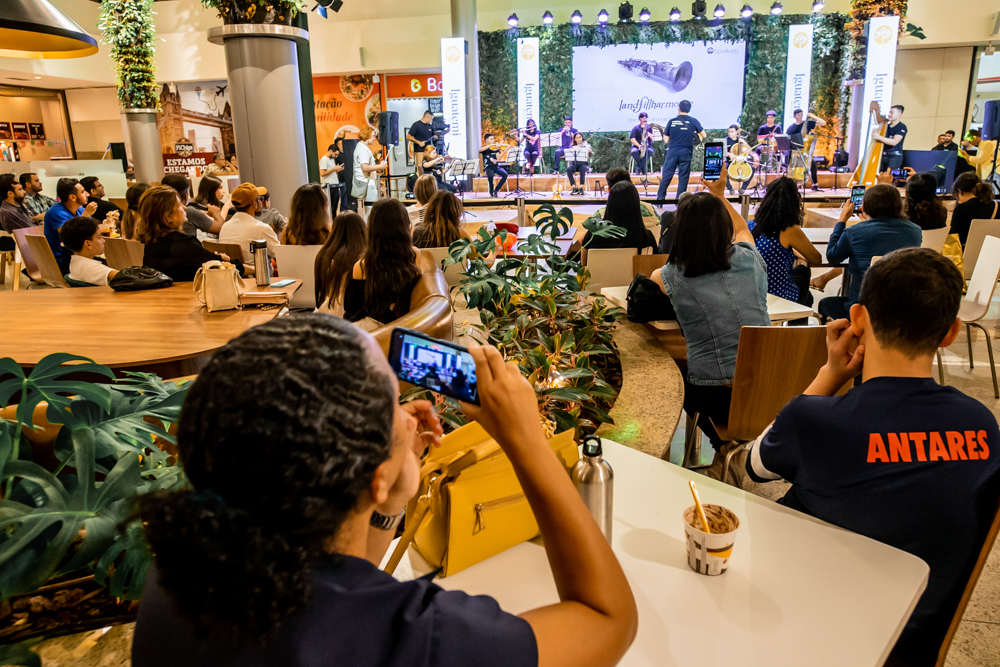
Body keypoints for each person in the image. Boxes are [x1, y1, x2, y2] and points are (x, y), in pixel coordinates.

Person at [131, 313, 637, 667]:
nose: (404, 412)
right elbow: (606, 619)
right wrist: (525, 440)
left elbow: (344, 576)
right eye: (394, 400)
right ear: (367, 475)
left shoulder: (180, 574)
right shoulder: (415, 642)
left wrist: (391, 496)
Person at [744, 248, 1000, 666]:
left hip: (810, 637)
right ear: (951, 331)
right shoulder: (982, 425)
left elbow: (752, 465)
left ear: (859, 318)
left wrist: (830, 374)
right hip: (912, 646)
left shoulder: (816, 421)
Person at [651, 175, 769, 464]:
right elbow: (742, 229)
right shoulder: (750, 259)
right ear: (722, 228)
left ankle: (723, 446)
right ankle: (737, 448)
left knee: (675, 376)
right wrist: (719, 194)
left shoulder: (668, 276)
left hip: (717, 396)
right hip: (768, 388)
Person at [817, 184, 921, 321]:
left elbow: (832, 257)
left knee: (825, 304)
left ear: (864, 207)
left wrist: (841, 220)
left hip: (860, 309)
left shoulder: (854, 232)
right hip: (898, 309)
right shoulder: (915, 231)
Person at [344, 199, 422, 328]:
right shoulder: (414, 255)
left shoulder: (362, 266)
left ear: (372, 228)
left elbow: (352, 312)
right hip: (408, 325)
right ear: (405, 225)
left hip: (374, 331)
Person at [139, 185, 243, 281]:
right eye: (179, 205)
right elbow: (225, 268)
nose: (184, 207)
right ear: (168, 217)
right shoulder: (180, 244)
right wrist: (253, 269)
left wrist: (214, 258)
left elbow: (201, 261)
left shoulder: (154, 241)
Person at [747, 177, 823, 307]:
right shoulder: (789, 230)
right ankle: (797, 323)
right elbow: (817, 259)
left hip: (753, 292)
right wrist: (803, 259)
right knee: (803, 272)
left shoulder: (749, 226)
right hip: (779, 295)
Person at [580, 181, 656, 266]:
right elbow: (652, 267)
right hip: (634, 279)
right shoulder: (646, 238)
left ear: (609, 204)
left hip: (596, 279)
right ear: (636, 205)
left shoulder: (592, 236)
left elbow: (583, 268)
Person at [315, 211, 367, 317]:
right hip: (358, 317)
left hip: (328, 313)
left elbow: (322, 294)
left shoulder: (324, 255)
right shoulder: (365, 259)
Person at [44, 178, 98, 275]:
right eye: (83, 192)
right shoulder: (56, 212)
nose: (87, 194)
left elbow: (91, 232)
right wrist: (85, 216)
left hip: (79, 256)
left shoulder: (80, 210)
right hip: (62, 260)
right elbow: (69, 236)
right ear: (72, 197)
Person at [656, 100, 705, 201]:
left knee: (667, 176)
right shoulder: (693, 121)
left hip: (673, 151)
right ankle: (679, 201)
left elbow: (666, 140)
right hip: (686, 152)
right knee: (683, 177)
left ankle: (660, 199)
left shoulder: (672, 121)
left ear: (679, 108)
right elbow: (704, 135)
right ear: (689, 109)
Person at [219, 183, 281, 260]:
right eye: (260, 199)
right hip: (258, 271)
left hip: (233, 271)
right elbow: (281, 256)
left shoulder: (225, 227)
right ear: (254, 204)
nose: (261, 203)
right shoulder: (262, 229)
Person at [59, 216, 119, 286]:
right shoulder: (90, 267)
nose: (103, 240)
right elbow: (128, 277)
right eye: (99, 237)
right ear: (88, 244)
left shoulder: (76, 263)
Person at [950, 172, 999, 246]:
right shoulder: (997, 206)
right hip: (993, 250)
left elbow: (953, 239)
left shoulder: (961, 209)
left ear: (959, 191)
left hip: (966, 254)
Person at [785, 108, 826, 191]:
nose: (800, 116)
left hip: (805, 151)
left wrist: (812, 116)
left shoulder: (807, 123)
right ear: (794, 116)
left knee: (813, 164)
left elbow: (823, 123)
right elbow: (788, 140)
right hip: (795, 151)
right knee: (788, 160)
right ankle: (791, 183)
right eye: (798, 114)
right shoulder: (791, 128)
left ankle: (815, 184)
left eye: (801, 114)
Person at [352, 127, 388, 215]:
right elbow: (365, 167)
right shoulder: (363, 150)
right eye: (373, 136)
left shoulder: (360, 147)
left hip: (364, 183)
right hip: (367, 184)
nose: (374, 138)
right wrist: (380, 166)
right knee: (371, 211)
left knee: (368, 211)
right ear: (366, 135)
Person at [869, 102, 907, 172]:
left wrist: (879, 137)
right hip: (882, 156)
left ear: (899, 114)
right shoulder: (885, 126)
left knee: (888, 177)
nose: (889, 115)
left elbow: (894, 142)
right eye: (889, 112)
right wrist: (875, 134)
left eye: (892, 113)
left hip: (894, 157)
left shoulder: (901, 127)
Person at [724, 124, 754, 196]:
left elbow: (750, 151)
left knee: (752, 169)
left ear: (737, 132)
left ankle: (743, 188)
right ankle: (730, 188)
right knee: (723, 168)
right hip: (730, 161)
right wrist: (729, 154)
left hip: (741, 161)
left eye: (732, 132)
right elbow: (722, 151)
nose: (730, 133)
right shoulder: (726, 140)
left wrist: (744, 143)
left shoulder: (740, 140)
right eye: (729, 131)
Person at [406, 110, 436, 176]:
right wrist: (419, 142)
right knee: (420, 166)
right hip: (419, 150)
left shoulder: (429, 126)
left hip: (428, 151)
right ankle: (421, 180)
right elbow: (408, 136)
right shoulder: (416, 125)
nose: (431, 121)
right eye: (431, 119)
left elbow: (434, 135)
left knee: (429, 166)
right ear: (427, 116)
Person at [320, 143, 346, 215]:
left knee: (334, 207)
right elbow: (322, 173)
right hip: (329, 186)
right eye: (335, 154)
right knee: (331, 208)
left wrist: (338, 169)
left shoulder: (331, 159)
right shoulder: (324, 159)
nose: (336, 156)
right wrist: (334, 169)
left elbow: (331, 172)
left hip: (334, 185)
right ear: (330, 151)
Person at [480, 134, 508, 198]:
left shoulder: (495, 149)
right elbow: (480, 149)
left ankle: (496, 190)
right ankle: (491, 188)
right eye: (491, 139)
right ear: (486, 140)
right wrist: (490, 145)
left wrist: (505, 150)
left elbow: (498, 158)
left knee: (505, 174)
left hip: (496, 167)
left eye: (493, 139)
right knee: (490, 174)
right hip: (488, 167)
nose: (493, 140)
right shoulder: (484, 149)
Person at [629, 112, 655, 178]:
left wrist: (650, 135)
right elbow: (632, 139)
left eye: (646, 117)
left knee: (650, 151)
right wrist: (639, 145)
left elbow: (653, 138)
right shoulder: (636, 128)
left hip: (647, 146)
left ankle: (639, 166)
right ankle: (643, 167)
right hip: (637, 146)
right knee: (634, 151)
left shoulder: (649, 128)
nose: (644, 118)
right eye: (643, 117)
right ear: (639, 119)